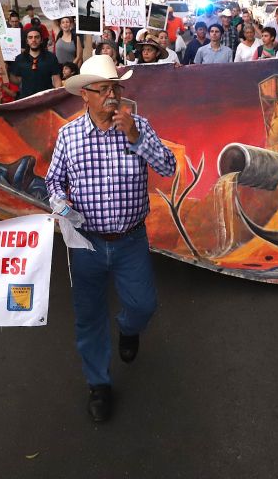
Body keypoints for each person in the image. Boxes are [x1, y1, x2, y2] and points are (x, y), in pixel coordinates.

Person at [45, 55, 176, 422]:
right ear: (84, 95)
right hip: (85, 242)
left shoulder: (140, 126)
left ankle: (128, 329)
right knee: (88, 316)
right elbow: (54, 181)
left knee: (143, 305)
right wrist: (59, 203)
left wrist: (135, 137)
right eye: (102, 90)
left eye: (115, 88)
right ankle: (98, 384)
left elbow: (168, 167)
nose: (112, 97)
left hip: (130, 239)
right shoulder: (69, 135)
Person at [8, 28, 62, 98]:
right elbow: (17, 81)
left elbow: (56, 79)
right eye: (30, 37)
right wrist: (6, 73)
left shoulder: (51, 57)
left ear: (41, 40)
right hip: (26, 99)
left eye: (36, 37)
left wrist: (57, 96)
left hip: (46, 99)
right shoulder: (20, 58)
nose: (33, 40)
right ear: (27, 41)